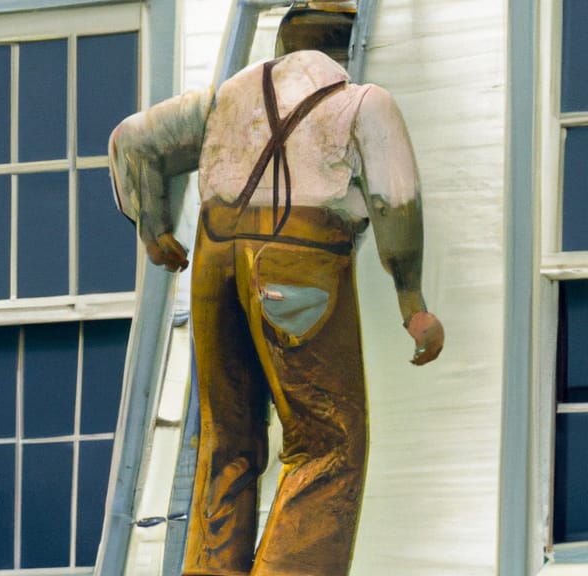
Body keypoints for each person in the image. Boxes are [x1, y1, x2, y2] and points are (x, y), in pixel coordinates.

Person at [108, 5, 443, 574]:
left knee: (227, 439)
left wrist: (154, 228)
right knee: (327, 441)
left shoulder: (223, 102)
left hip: (214, 261)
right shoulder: (363, 102)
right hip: (298, 261)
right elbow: (395, 202)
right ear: (345, 49)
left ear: (283, 44)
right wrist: (412, 303)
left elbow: (131, 139)